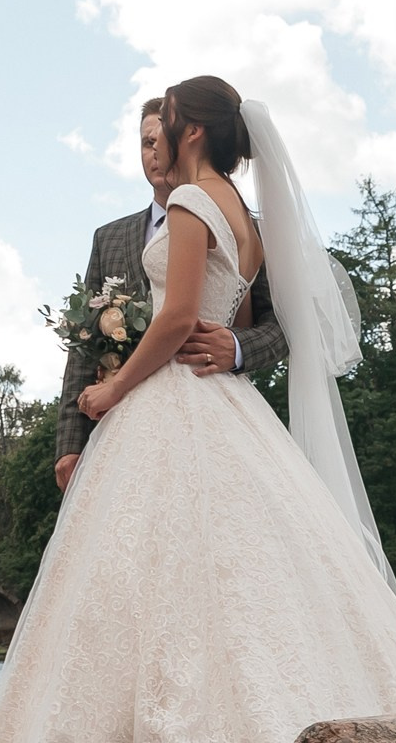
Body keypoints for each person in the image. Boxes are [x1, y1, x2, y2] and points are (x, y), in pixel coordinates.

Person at [0, 76, 396, 743]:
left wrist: (111, 395)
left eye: (167, 121)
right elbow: (209, 306)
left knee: (163, 569)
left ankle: (165, 742)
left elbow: (177, 319)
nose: (161, 134)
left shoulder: (190, 202)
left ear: (193, 132)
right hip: (229, 409)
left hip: (177, 397)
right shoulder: (242, 213)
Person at [54, 99, 286, 494]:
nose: (155, 151)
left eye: (161, 137)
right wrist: (70, 444)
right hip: (122, 426)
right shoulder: (108, 238)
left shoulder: (244, 225)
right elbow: (83, 345)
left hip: (205, 408)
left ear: (187, 136)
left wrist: (235, 345)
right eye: (146, 142)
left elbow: (281, 325)